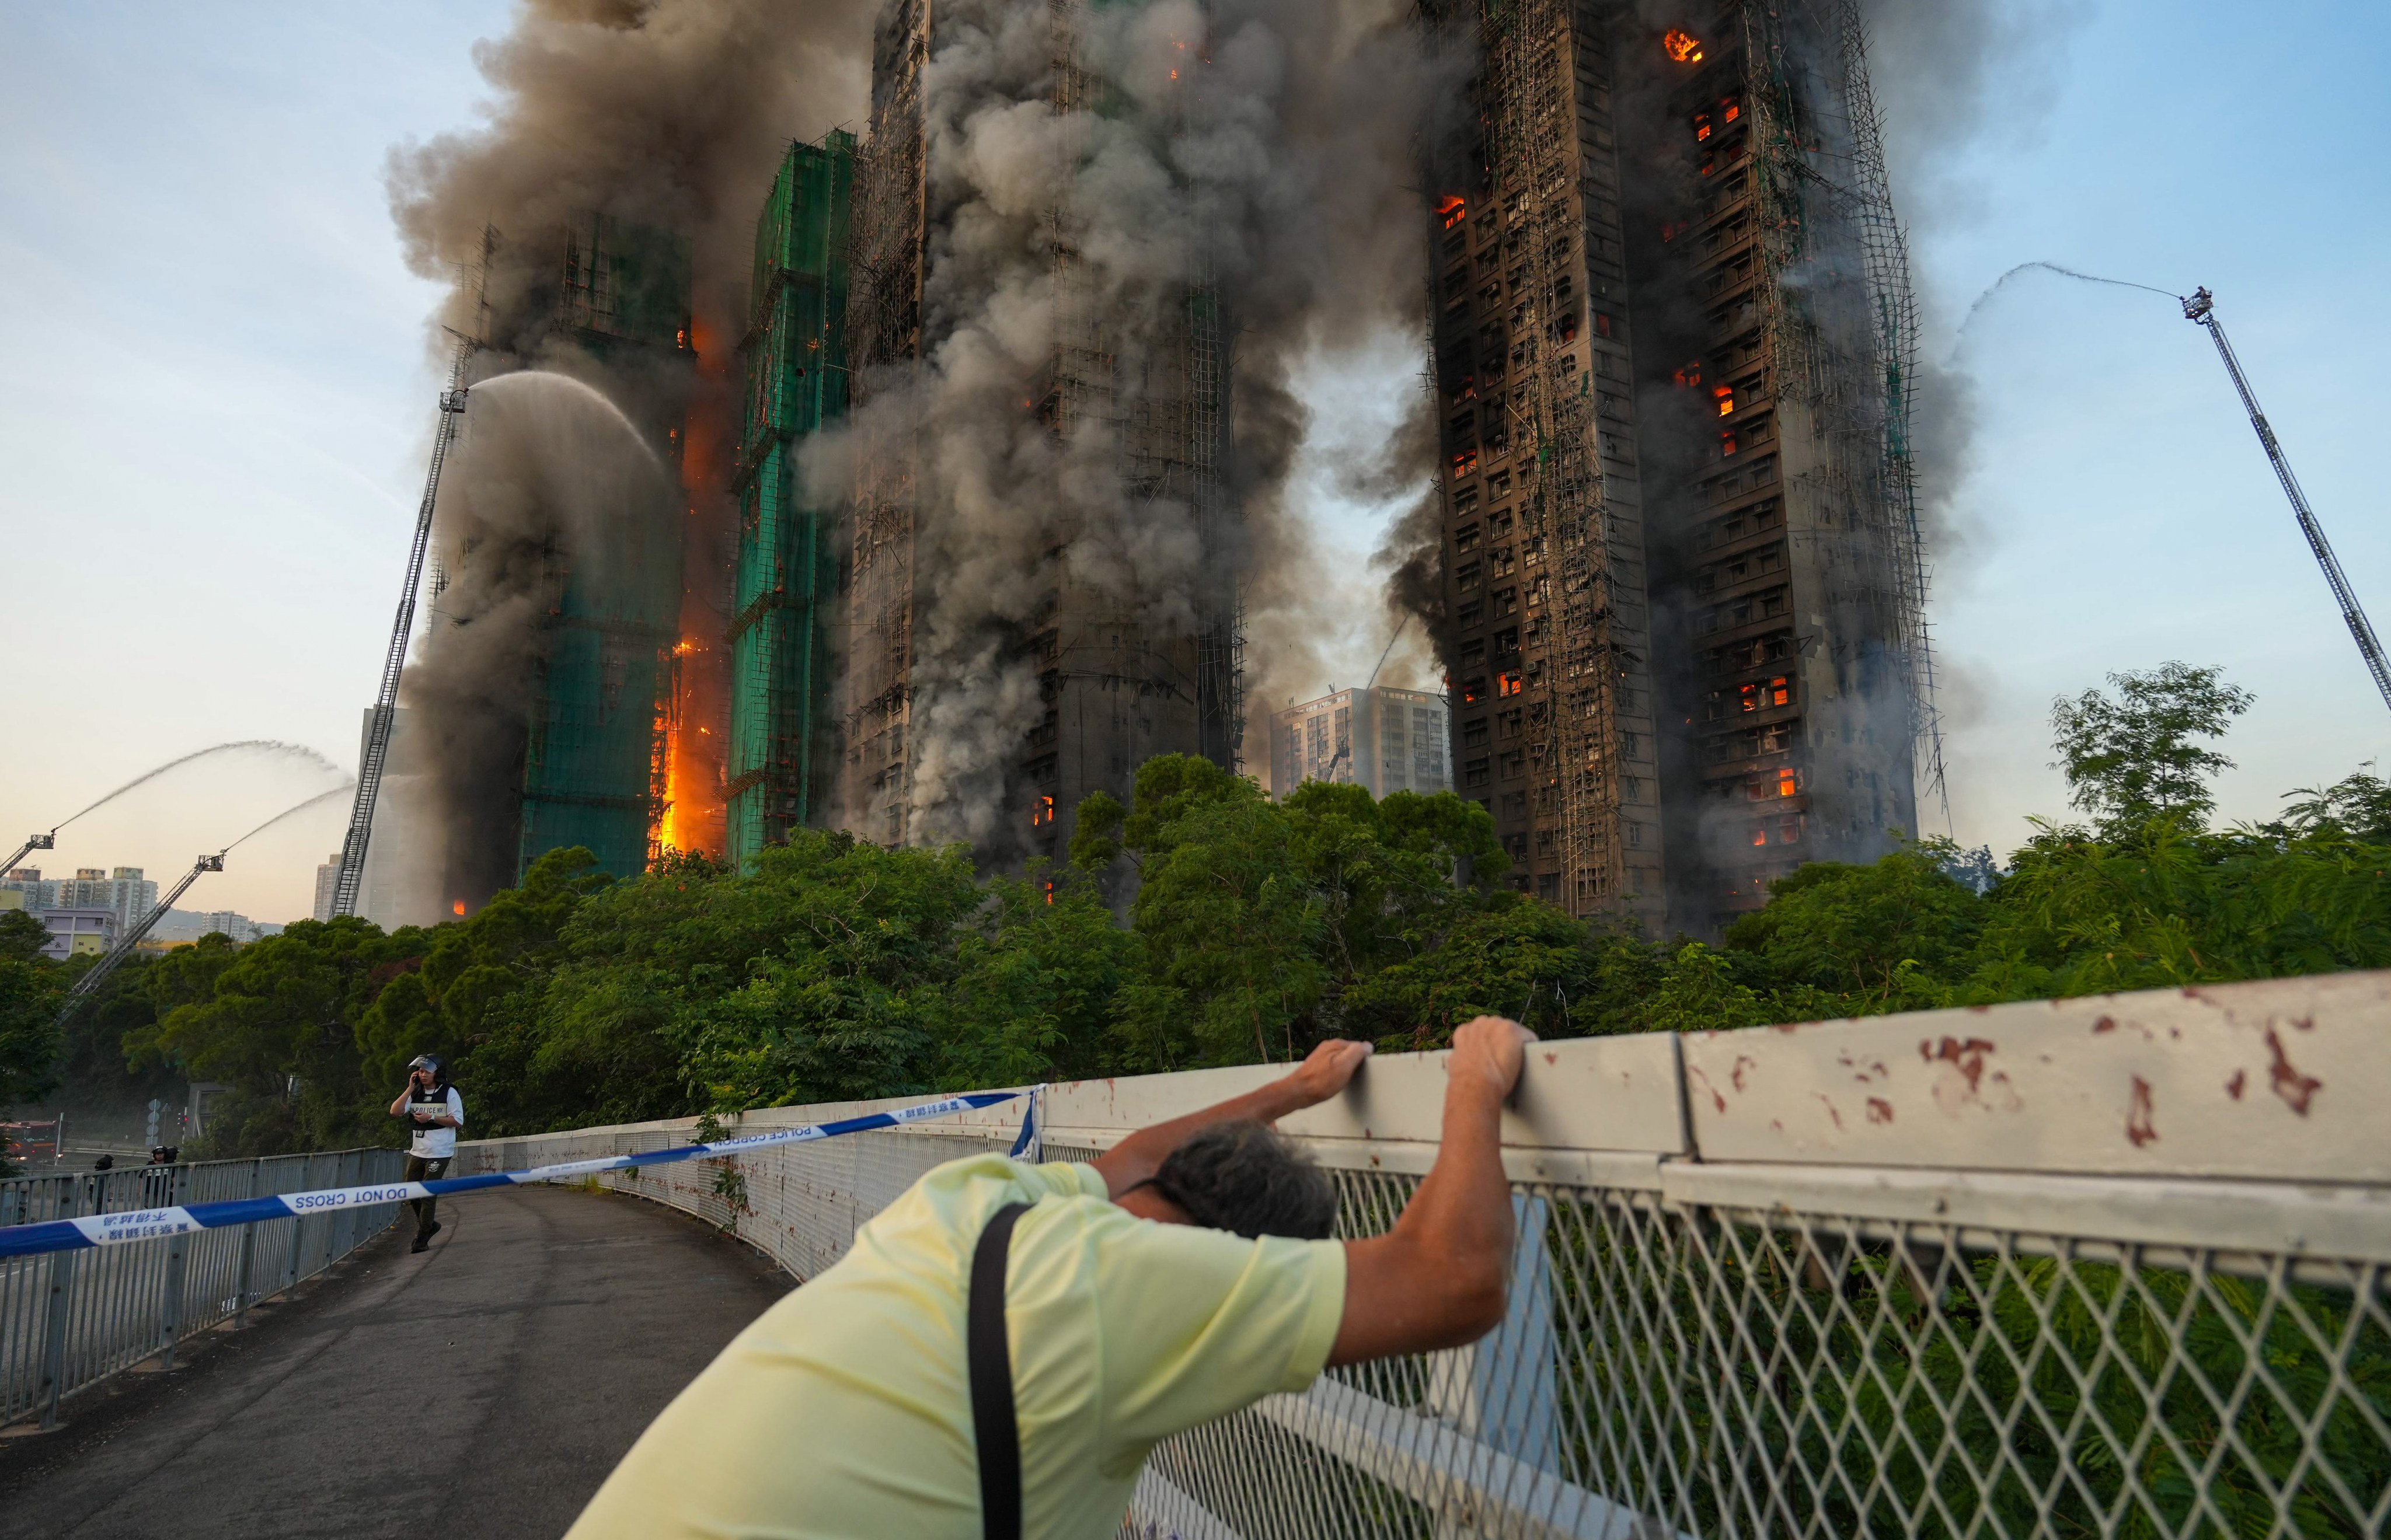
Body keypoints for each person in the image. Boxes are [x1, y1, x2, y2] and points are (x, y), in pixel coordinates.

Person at [566, 1015, 1534, 1540]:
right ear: (1241, 1256)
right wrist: (1473, 1078)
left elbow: (1136, 1150)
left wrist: (1295, 1086)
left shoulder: (972, 1205)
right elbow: (1456, 1277)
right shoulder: (1144, 1284)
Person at [389, 1054, 463, 1254]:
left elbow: (458, 1121)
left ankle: (422, 1238)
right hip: (418, 1151)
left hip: (439, 1151)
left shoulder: (449, 1093)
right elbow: (395, 1112)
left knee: (428, 1195)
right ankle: (430, 1226)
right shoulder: (416, 1093)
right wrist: (409, 1089)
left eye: (427, 1071)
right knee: (411, 1194)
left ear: (437, 1073)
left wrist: (431, 1117)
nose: (422, 1075)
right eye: (420, 1071)